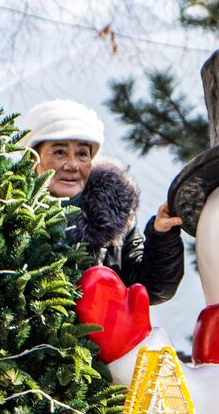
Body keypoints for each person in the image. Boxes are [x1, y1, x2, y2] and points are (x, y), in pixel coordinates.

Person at [18, 100, 184, 304]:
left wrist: (162, 237)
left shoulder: (113, 214)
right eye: (59, 152)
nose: (72, 165)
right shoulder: (5, 209)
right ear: (34, 158)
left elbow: (151, 289)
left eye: (82, 154)